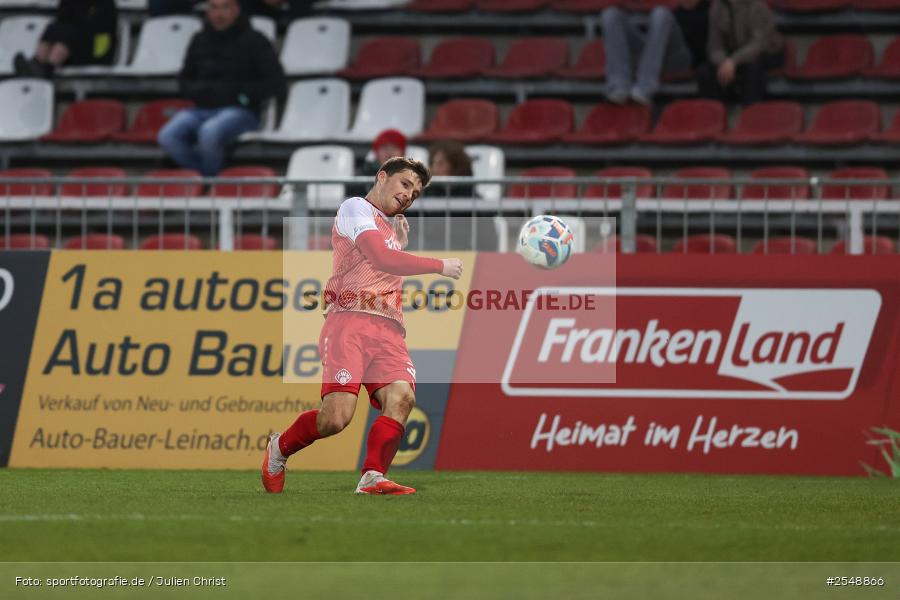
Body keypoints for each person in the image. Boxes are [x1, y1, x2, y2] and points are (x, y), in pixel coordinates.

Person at [262, 157, 464, 495]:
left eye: (415, 193)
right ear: (382, 177)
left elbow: (384, 262)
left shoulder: (391, 229)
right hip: (350, 322)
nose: (408, 195)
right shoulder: (355, 207)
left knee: (402, 398)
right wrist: (438, 265)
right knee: (336, 419)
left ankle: (373, 476)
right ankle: (279, 448)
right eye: (404, 185)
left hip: (390, 329)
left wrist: (399, 243)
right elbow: (382, 259)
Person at [157, 0, 286, 177]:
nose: (219, 14)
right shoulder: (199, 39)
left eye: (225, 7)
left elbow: (275, 82)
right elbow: (184, 78)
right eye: (214, 7)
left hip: (241, 111)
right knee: (168, 135)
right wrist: (199, 91)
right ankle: (206, 179)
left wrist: (241, 94)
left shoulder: (255, 40)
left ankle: (209, 185)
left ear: (237, 9)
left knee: (210, 132)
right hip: (201, 109)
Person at [601, 0, 710, 105]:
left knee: (661, 13)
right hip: (654, 57)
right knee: (610, 14)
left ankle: (645, 88)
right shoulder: (676, 11)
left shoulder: (708, 11)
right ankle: (619, 86)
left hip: (682, 59)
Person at [697, 0, 784, 105]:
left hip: (766, 52)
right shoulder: (717, 7)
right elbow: (714, 45)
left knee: (753, 67)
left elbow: (759, 44)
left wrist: (733, 61)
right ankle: (714, 112)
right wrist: (723, 62)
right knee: (704, 71)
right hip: (733, 55)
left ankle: (750, 113)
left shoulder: (757, 6)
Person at [13, 0, 118, 78]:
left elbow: (100, 27)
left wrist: (78, 24)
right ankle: (38, 63)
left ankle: (45, 70)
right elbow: (62, 19)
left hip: (95, 52)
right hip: (71, 51)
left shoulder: (105, 3)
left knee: (70, 33)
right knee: (53, 28)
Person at [347, 129, 408, 198]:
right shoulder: (361, 177)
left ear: (403, 153)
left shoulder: (412, 177)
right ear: (376, 152)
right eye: (385, 147)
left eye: (395, 148)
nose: (389, 153)